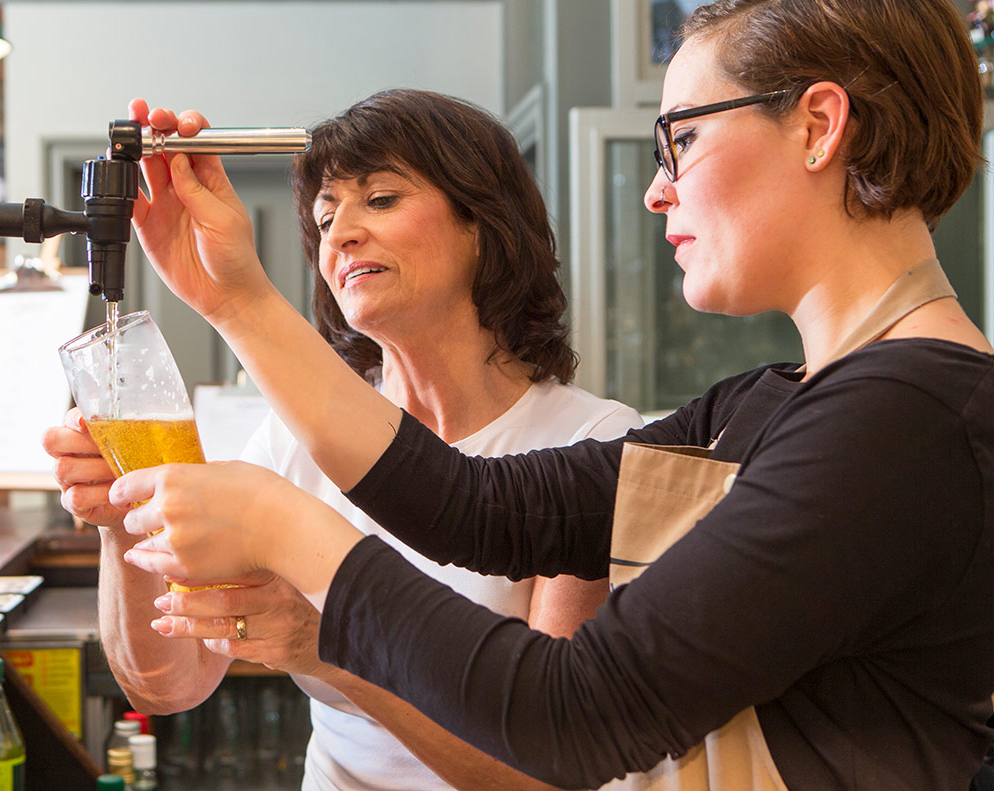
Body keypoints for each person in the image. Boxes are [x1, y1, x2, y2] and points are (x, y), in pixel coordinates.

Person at [105, 1, 994, 789]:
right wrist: (234, 299)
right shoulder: (775, 402)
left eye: (680, 139)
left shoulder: (903, 419)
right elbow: (473, 505)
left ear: (817, 125)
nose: (655, 189)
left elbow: (572, 716)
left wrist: (286, 529)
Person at [44, 89, 642, 791]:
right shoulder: (294, 439)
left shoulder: (590, 442)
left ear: (484, 221)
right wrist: (123, 522)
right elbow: (169, 684)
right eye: (326, 217)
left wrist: (327, 648)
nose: (341, 233)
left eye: (381, 198)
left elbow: (546, 770)